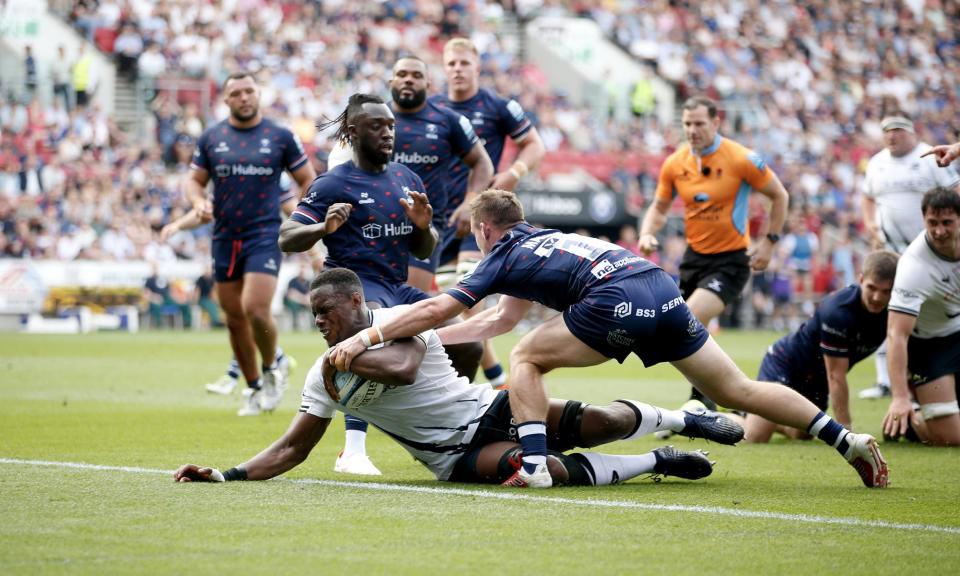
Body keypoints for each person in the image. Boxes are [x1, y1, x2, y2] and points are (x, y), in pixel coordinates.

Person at [329, 190, 889, 490]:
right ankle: (845, 440)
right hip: (658, 285)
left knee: (526, 358)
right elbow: (493, 321)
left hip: (616, 297)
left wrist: (374, 333)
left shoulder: (500, 254)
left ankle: (536, 467)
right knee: (740, 389)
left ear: (484, 230)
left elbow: (437, 306)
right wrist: (433, 341)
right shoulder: (543, 240)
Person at [174, 268, 742, 487]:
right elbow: (293, 448)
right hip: (448, 457)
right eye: (315, 318)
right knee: (538, 474)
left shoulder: (401, 323)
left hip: (486, 408)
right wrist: (225, 476)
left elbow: (403, 368)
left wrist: (349, 354)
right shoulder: (325, 374)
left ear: (355, 302)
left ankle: (680, 418)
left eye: (328, 314)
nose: (320, 324)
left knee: (599, 422)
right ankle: (656, 462)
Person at [279, 93, 456, 476]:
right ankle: (352, 451)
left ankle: (445, 422)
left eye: (391, 125)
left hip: (397, 284)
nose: (388, 133)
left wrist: (425, 226)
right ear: (353, 132)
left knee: (466, 337)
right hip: (354, 291)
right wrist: (321, 228)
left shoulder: (406, 178)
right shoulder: (331, 184)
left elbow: (424, 249)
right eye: (378, 126)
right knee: (373, 330)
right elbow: (286, 236)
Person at [638, 96, 788, 413]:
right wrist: (647, 232)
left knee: (687, 320)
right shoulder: (675, 163)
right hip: (694, 260)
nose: (693, 130)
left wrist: (769, 242)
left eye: (700, 124)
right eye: (688, 124)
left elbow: (779, 195)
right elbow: (660, 207)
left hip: (731, 260)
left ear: (715, 123)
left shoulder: (741, 157)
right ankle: (711, 401)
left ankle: (722, 396)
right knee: (685, 329)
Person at [188, 71, 316, 416]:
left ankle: (274, 369)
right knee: (233, 319)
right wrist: (198, 199)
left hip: (264, 235)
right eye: (236, 93)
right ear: (226, 100)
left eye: (249, 92)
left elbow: (307, 180)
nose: (244, 98)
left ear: (258, 96)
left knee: (255, 308)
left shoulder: (280, 136)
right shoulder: (212, 138)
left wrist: (304, 219)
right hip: (224, 237)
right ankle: (255, 386)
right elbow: (195, 181)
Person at [430, 37, 546, 389]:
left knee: (467, 293)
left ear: (477, 67)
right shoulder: (433, 108)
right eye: (451, 64)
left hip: (480, 218)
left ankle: (491, 380)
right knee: (458, 299)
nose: (457, 69)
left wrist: (512, 173)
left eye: (464, 63)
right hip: (438, 217)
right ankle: (496, 377)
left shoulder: (497, 106)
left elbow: (534, 144)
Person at [728, 251, 899, 442]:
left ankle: (762, 414)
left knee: (802, 434)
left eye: (886, 291)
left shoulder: (898, 312)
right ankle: (705, 415)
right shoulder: (838, 311)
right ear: (860, 279)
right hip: (786, 364)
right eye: (871, 288)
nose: (877, 297)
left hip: (817, 379)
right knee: (755, 436)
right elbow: (836, 375)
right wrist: (846, 435)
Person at [858, 112, 960, 400]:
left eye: (898, 130)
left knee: (929, 313)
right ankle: (887, 381)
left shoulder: (929, 156)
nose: (892, 135)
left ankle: (922, 382)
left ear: (912, 132)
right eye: (887, 131)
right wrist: (870, 225)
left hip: (935, 251)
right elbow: (867, 197)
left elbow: (955, 193)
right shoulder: (876, 162)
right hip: (893, 250)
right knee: (889, 308)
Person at [389, 55, 494, 293]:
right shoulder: (373, 118)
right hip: (376, 221)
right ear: (391, 81)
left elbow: (482, 163)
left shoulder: (448, 121)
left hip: (425, 227)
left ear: (428, 84)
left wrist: (470, 202)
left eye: (416, 76)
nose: (408, 80)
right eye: (402, 75)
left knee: (407, 306)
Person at [883, 187, 960, 446]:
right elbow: (896, 335)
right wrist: (899, 397)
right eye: (932, 223)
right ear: (924, 219)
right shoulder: (914, 266)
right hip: (929, 347)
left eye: (947, 223)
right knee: (950, 437)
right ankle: (909, 422)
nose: (939, 231)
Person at [284, 262, 312, 331]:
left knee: (312, 305)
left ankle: (312, 326)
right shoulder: (293, 281)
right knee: (293, 304)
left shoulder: (308, 282)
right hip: (293, 302)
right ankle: (295, 325)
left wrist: (305, 299)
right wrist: (302, 299)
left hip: (304, 302)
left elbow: (310, 294)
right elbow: (291, 294)